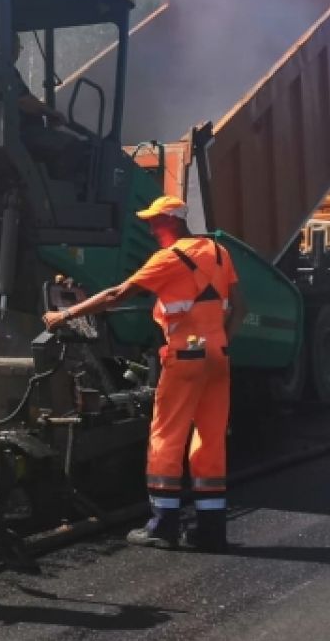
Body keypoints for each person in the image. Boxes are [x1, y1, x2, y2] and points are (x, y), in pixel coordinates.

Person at [43, 195, 247, 551]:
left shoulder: (168, 259)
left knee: (166, 436)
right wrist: (219, 343)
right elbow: (240, 308)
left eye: (154, 221)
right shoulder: (218, 252)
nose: (150, 228)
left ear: (170, 221)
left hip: (185, 357)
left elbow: (117, 294)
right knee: (209, 439)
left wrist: (65, 314)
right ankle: (211, 529)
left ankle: (163, 525)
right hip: (219, 355)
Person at [0, 34, 88, 182]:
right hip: (18, 133)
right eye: (18, 48)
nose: (17, 53)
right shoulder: (3, 70)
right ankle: (58, 194)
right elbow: (24, 101)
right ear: (11, 49)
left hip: (1, 134)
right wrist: (52, 113)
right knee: (72, 146)